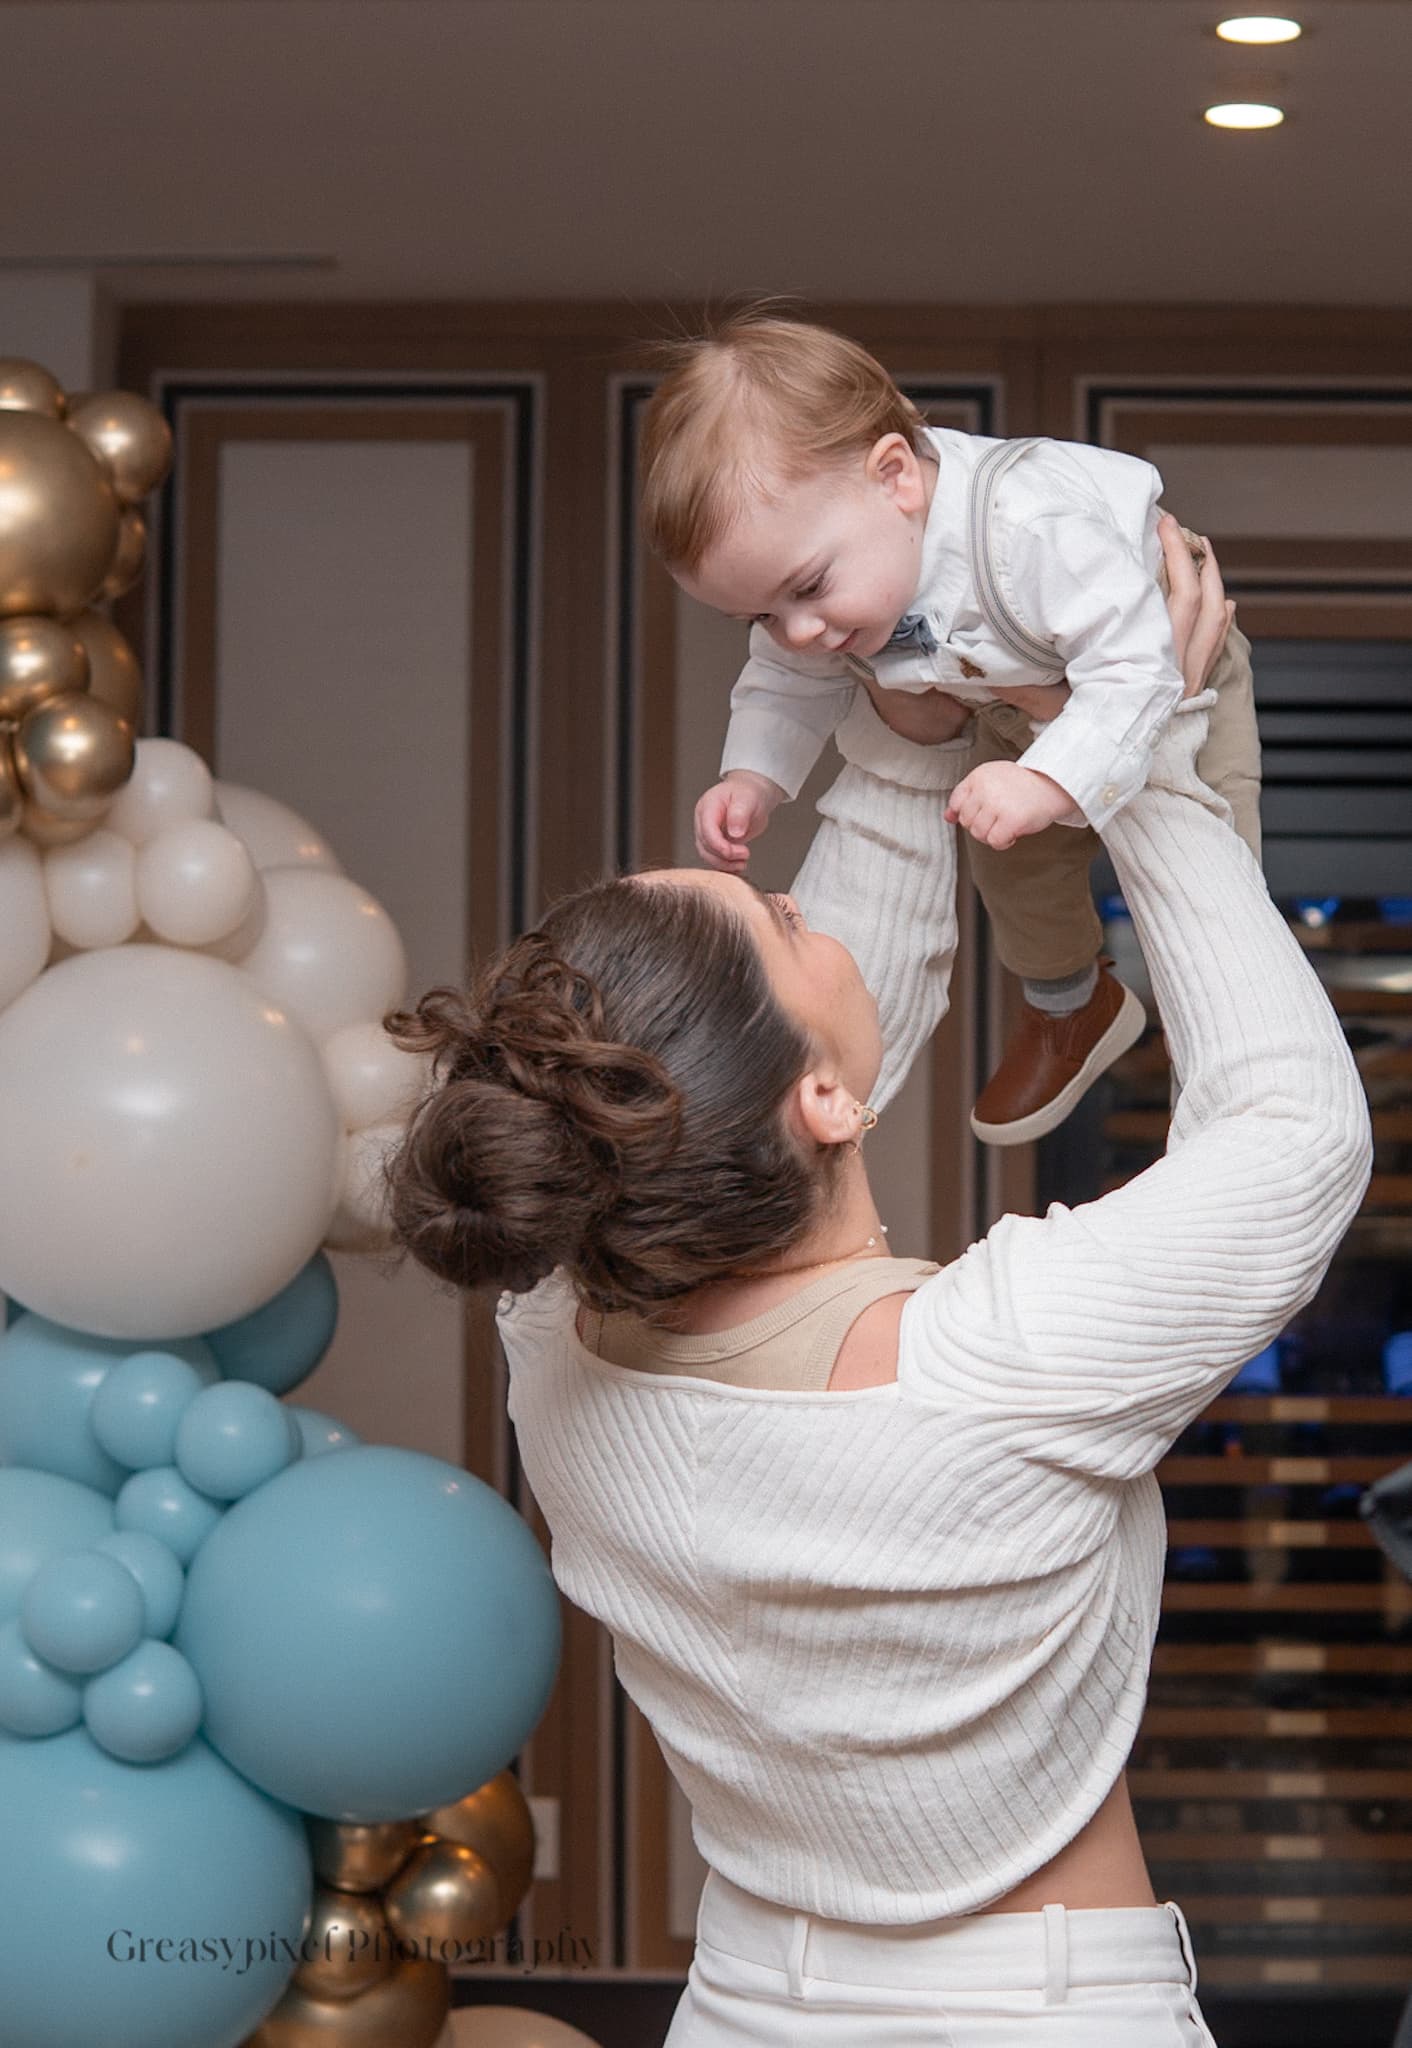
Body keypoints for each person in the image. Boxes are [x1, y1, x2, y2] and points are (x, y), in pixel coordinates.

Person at [383, 532, 1370, 2044]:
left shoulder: (553, 1352)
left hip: (746, 2005)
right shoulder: (999, 1367)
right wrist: (1144, 757)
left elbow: (806, 1060)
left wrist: (905, 747)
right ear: (823, 1108)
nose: (809, 913)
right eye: (782, 921)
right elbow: (1293, 1140)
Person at [637, 309, 1263, 1147]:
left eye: (809, 587)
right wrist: (755, 775)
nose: (796, 629)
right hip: (1008, 700)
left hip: (1165, 671)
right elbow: (786, 678)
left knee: (1217, 869)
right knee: (1011, 868)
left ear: (896, 477)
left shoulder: (1028, 530)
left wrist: (1049, 779)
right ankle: (1070, 1007)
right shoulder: (835, 594)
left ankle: (1222, 1069)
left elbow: (1135, 672)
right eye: (760, 611)